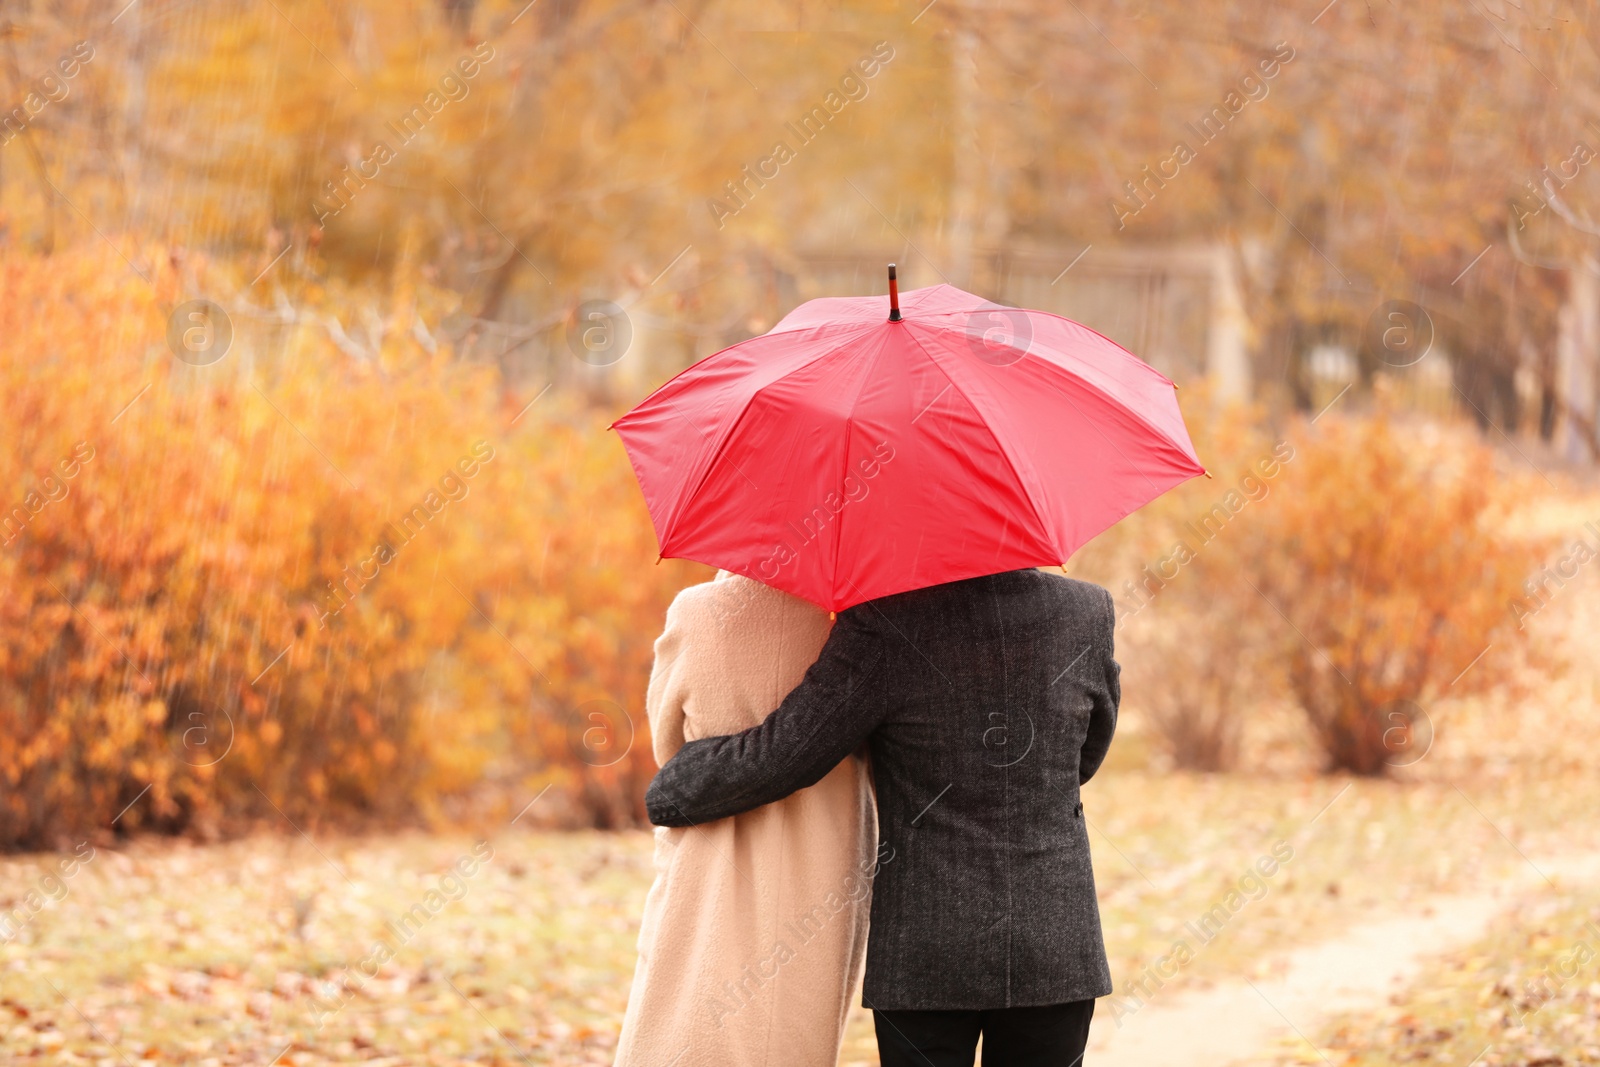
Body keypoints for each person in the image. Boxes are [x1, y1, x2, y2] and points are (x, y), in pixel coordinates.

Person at [647, 567, 1119, 1067]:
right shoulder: (1087, 611)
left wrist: (674, 790)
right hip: (1057, 938)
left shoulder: (883, 621)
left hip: (926, 949)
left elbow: (786, 754)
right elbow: (1084, 756)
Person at [614, 570, 878, 1067]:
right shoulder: (854, 626)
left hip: (712, 849)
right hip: (823, 854)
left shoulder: (696, 612)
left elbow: (668, 746)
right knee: (794, 1026)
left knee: (685, 1014)